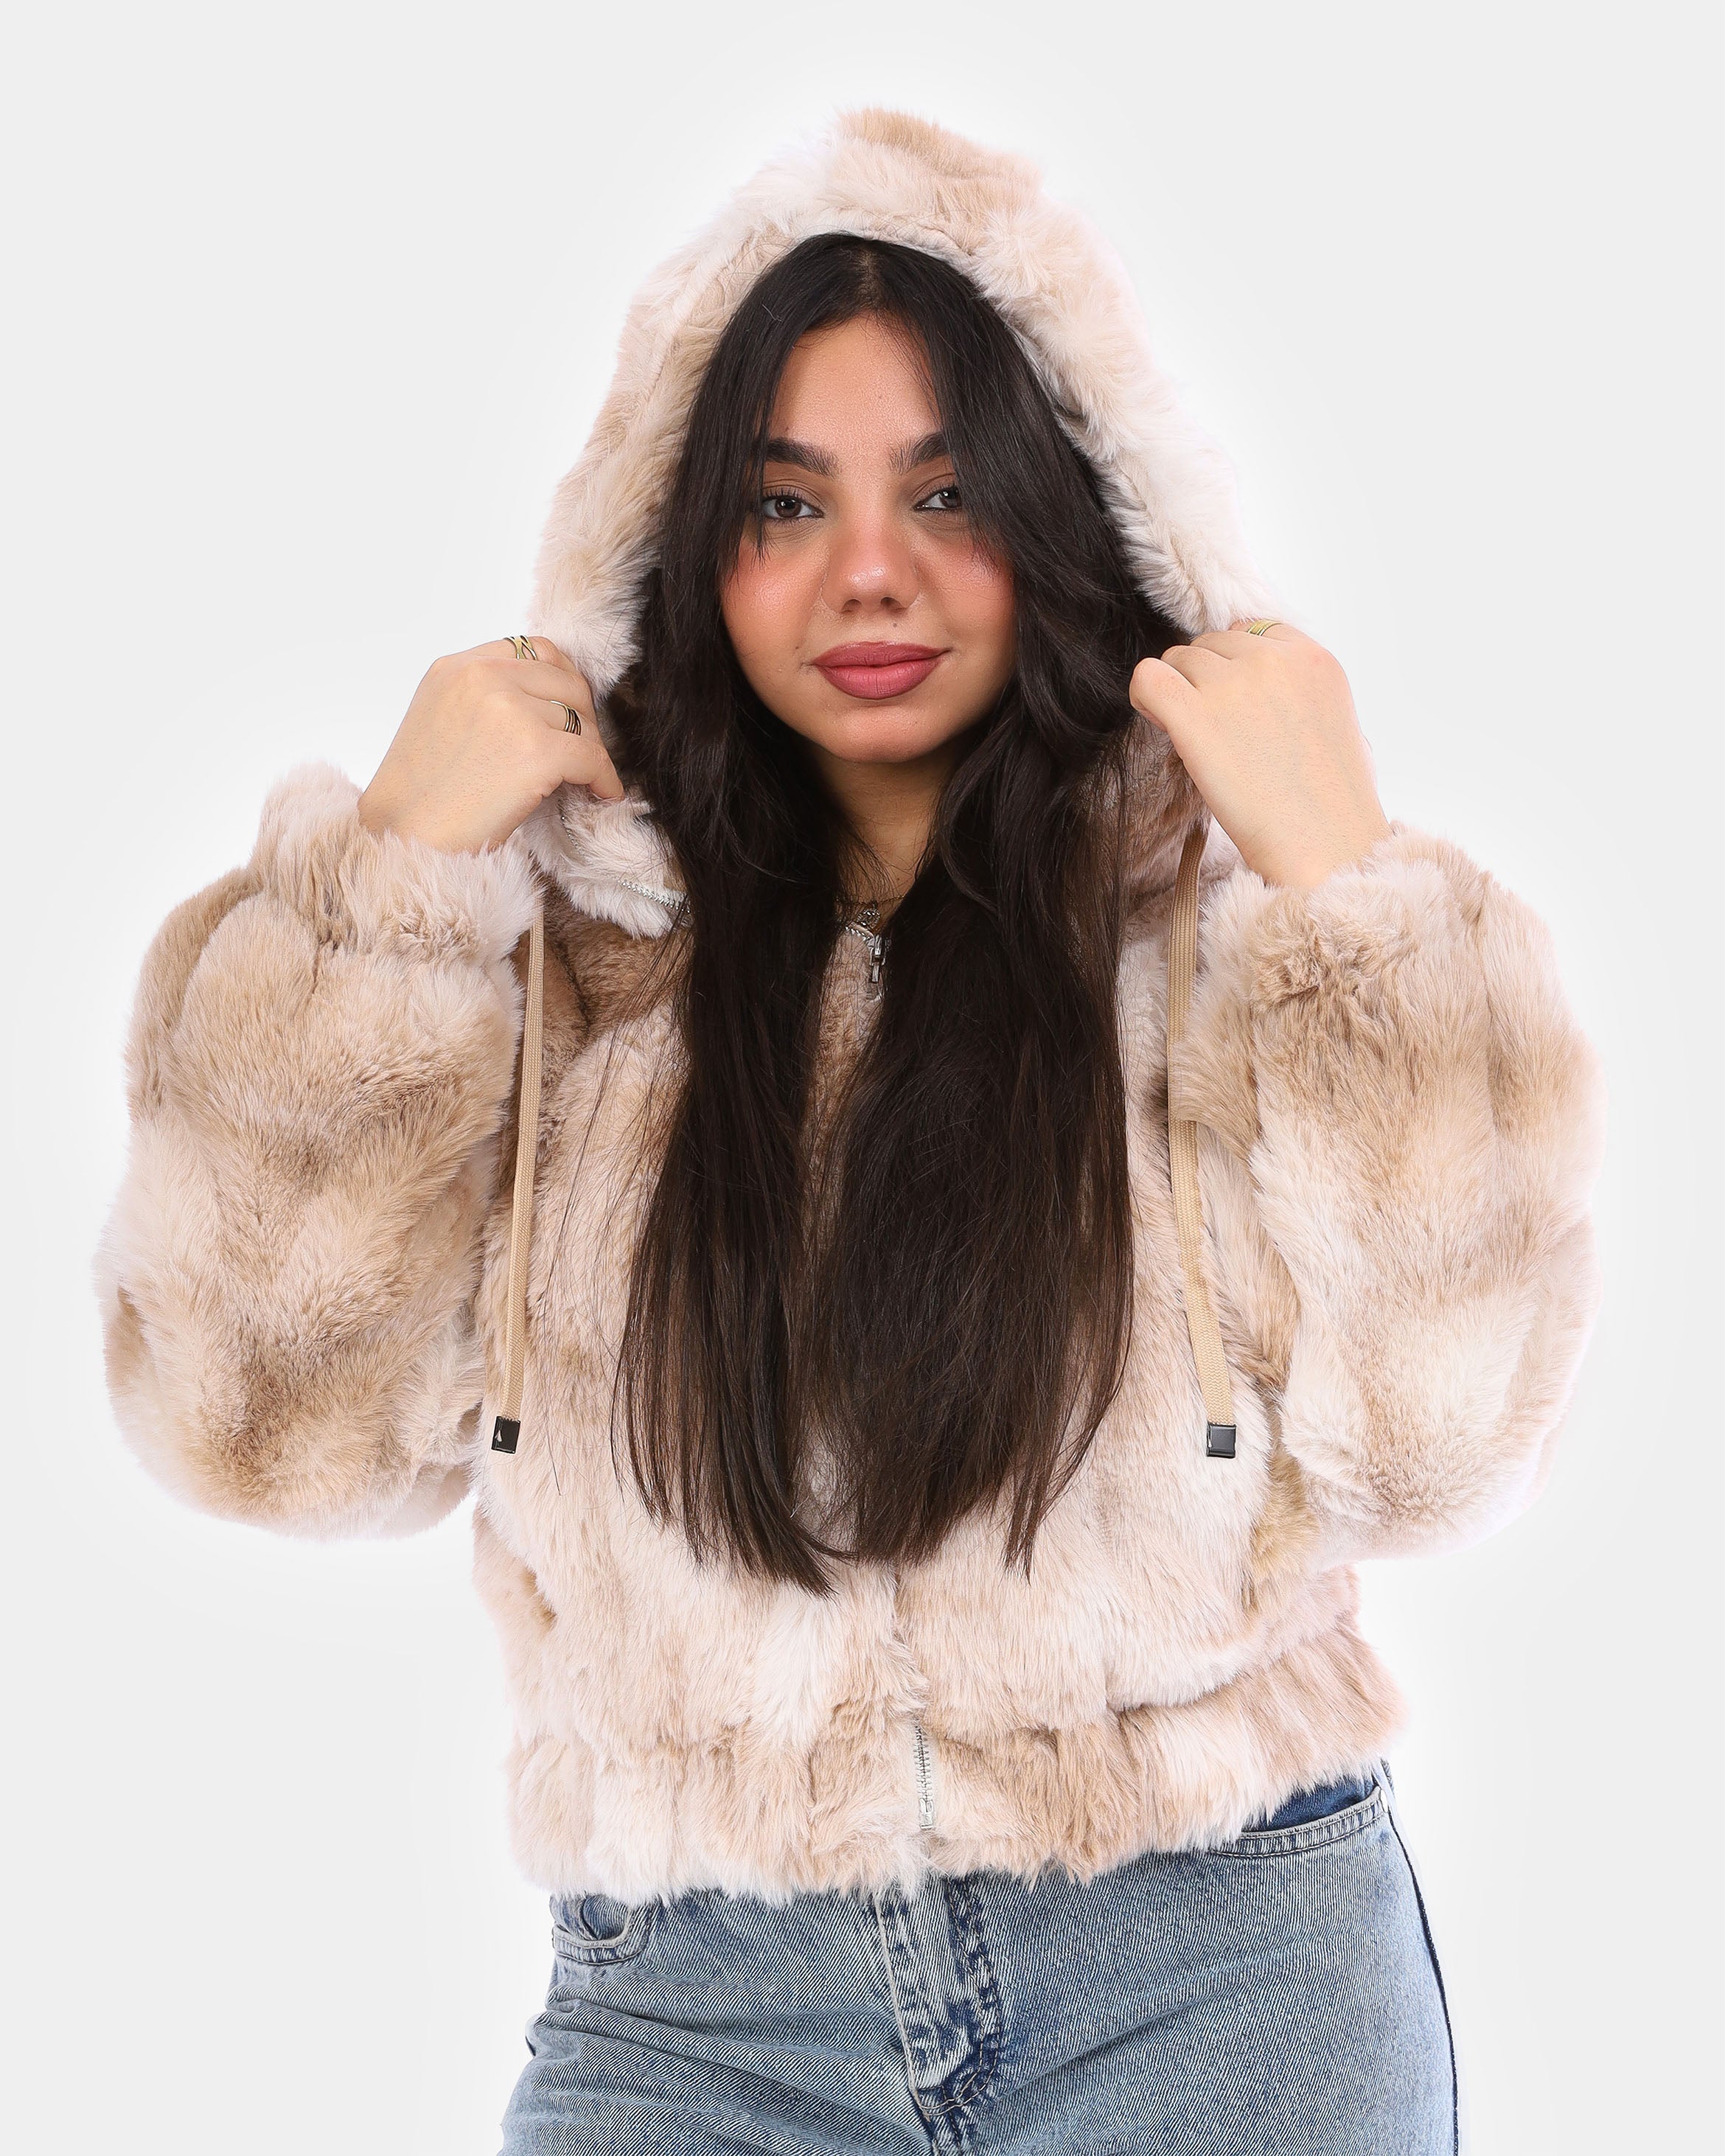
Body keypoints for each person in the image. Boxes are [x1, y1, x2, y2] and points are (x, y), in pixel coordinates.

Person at [95, 111, 1604, 2155]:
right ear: (681, 547)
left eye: (948, 491)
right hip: (694, 2017)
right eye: (786, 502)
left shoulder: (1223, 938)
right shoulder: (556, 976)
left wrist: (1348, 889)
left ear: (1068, 515)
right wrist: (383, 892)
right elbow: (261, 1430)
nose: (869, 571)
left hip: (1220, 1975)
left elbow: (1441, 1453)